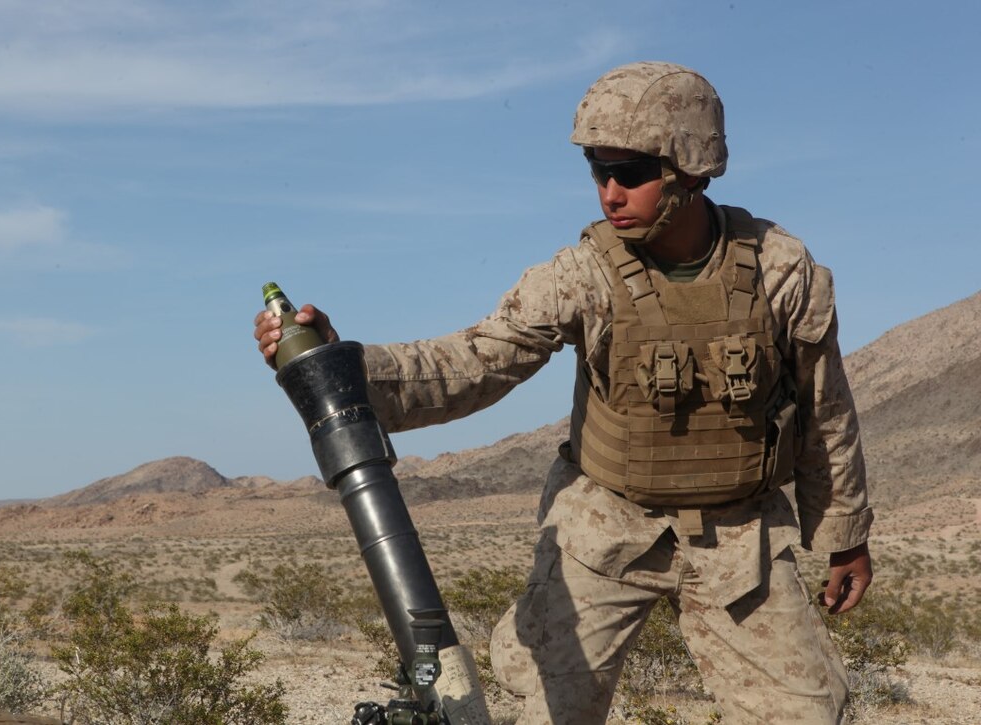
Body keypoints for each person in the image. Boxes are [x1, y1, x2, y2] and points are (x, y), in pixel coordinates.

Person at [254, 61, 873, 724]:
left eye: (630, 173)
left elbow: (823, 410)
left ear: (691, 168)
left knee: (810, 713)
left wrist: (845, 535)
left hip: (740, 536)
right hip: (605, 532)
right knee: (545, 710)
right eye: (597, 170)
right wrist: (344, 366)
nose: (609, 193)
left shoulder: (781, 270)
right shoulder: (584, 273)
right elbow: (474, 361)